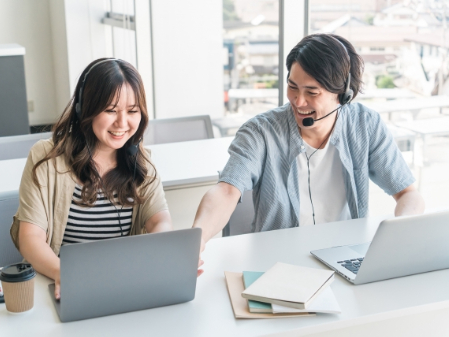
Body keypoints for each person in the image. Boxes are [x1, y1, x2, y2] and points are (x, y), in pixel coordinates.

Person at [193, 34, 425, 259]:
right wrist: (198, 241)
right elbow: (227, 190)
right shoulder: (260, 132)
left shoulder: (366, 125)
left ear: (343, 95)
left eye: (311, 92)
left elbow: (408, 194)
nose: (298, 101)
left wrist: (399, 234)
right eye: (293, 87)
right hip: (279, 261)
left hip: (346, 257)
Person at [10, 58, 172, 298]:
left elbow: (160, 221)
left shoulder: (141, 162)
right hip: (63, 284)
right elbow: (30, 237)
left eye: (132, 111)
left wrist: (163, 253)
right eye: (110, 110)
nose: (122, 123)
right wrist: (65, 274)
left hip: (122, 286)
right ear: (85, 108)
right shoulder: (47, 157)